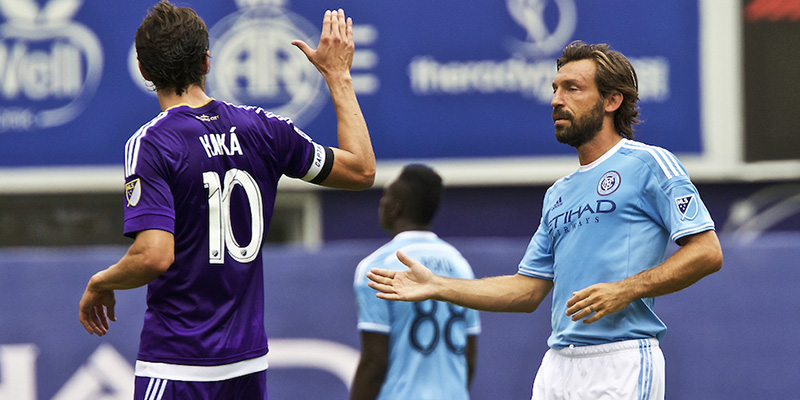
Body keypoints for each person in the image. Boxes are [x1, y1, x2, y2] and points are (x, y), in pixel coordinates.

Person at [367, 41, 723, 400]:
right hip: (557, 367)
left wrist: (625, 289)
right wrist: (438, 285)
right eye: (555, 88)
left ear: (611, 101)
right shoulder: (558, 194)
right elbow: (527, 290)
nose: (556, 100)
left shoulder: (649, 164)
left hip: (621, 360)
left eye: (572, 88)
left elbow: (707, 252)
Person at [78, 2, 375, 399]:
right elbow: (361, 171)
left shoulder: (151, 144)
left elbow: (153, 256)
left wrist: (101, 280)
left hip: (179, 363)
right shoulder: (264, 129)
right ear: (206, 62)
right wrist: (337, 76)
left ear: (145, 71)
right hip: (245, 365)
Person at [351, 164, 481, 400]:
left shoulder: (377, 267)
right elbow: (469, 359)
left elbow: (374, 363)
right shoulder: (461, 266)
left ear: (396, 206)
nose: (381, 203)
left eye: (385, 196)